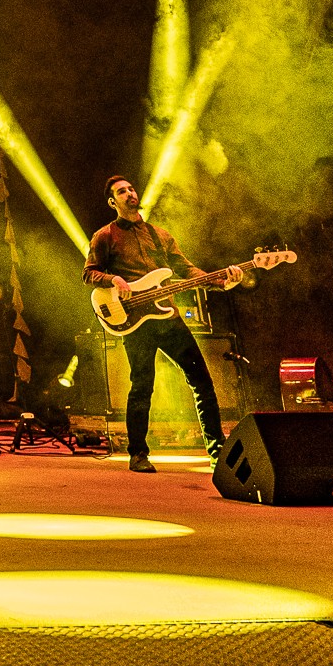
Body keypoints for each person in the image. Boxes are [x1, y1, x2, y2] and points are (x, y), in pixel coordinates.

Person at [84, 175, 243, 473]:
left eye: (131, 189)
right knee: (142, 386)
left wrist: (222, 281)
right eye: (122, 191)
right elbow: (89, 273)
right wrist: (113, 279)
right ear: (112, 202)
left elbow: (186, 269)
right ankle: (138, 453)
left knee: (203, 382)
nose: (130, 193)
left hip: (168, 317)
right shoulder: (105, 236)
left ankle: (217, 451)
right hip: (134, 321)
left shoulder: (160, 235)